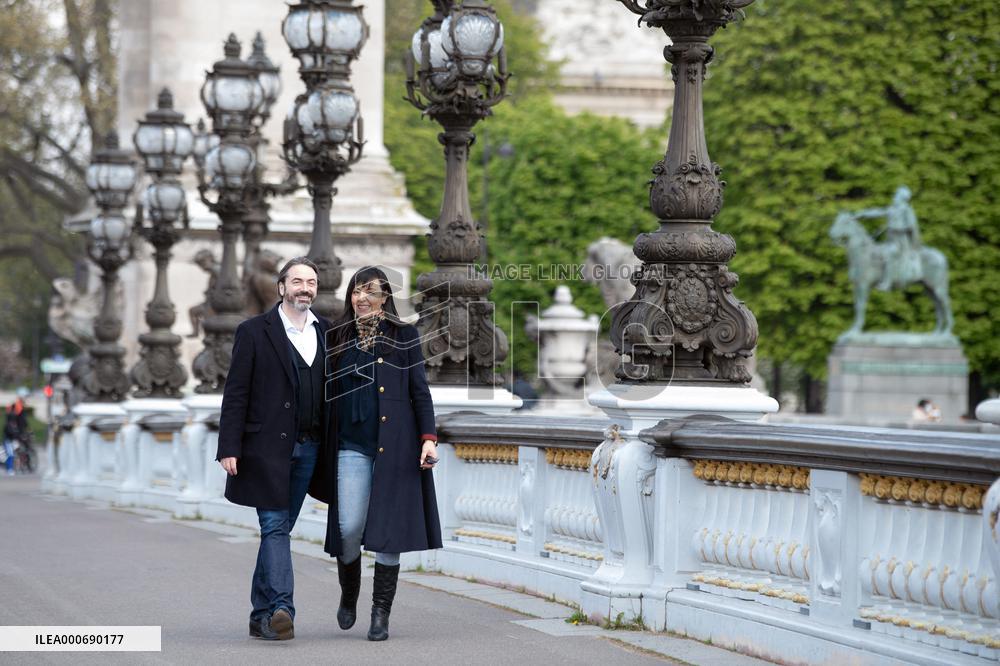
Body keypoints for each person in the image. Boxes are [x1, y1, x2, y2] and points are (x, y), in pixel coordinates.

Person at [322, 266, 442, 641]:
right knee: (349, 527)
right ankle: (350, 592)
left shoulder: (404, 335)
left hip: (395, 447)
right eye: (356, 291)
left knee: (390, 531)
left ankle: (380, 613)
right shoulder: (335, 336)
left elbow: (419, 391)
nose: (362, 298)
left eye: (370, 291)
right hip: (349, 446)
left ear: (385, 297)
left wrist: (428, 437)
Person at [216, 256, 332, 641]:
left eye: (311, 282)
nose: (305, 288)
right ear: (281, 287)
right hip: (265, 449)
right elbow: (236, 393)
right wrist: (229, 446)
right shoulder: (254, 331)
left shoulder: (327, 332)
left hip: (310, 449)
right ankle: (283, 608)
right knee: (275, 526)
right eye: (297, 280)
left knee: (277, 531)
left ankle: (259, 615)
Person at [855, 186, 921, 290]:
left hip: (901, 242)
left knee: (888, 254)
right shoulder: (893, 209)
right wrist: (862, 213)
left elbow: (912, 227)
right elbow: (878, 212)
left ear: (902, 198)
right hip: (891, 240)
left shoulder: (907, 210)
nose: (894, 197)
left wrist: (897, 228)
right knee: (876, 251)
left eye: (896, 195)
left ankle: (887, 283)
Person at [3, 390, 29, 476]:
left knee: (17, 450)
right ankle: (10, 468)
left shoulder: (19, 407)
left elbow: (23, 422)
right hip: (9, 440)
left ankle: (19, 465)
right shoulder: (10, 424)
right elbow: (10, 432)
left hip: (15, 437)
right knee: (10, 454)